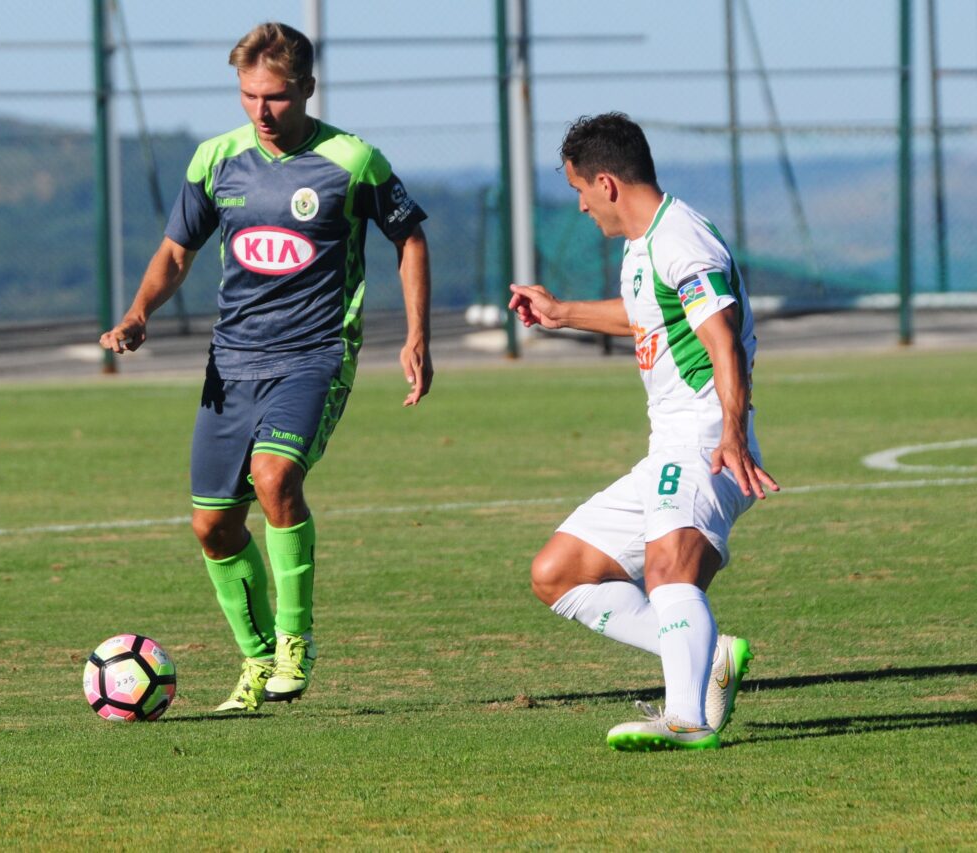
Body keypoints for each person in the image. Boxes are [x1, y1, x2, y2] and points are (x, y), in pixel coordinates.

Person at [100, 22, 432, 712]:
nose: (261, 110)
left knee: (275, 475)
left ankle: (294, 641)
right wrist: (138, 314)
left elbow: (409, 239)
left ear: (306, 87)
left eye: (275, 96)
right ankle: (255, 661)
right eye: (249, 95)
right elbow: (176, 252)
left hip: (315, 353)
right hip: (231, 363)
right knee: (213, 527)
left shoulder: (352, 161)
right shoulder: (216, 160)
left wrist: (416, 335)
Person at [508, 112, 779, 751]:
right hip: (670, 447)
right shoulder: (642, 244)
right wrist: (562, 312)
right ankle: (708, 655)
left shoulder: (680, 238)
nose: (580, 206)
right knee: (559, 572)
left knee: (668, 569)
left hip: (705, 440)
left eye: (579, 190)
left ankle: (687, 718)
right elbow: (645, 315)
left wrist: (731, 434)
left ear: (606, 183)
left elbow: (722, 340)